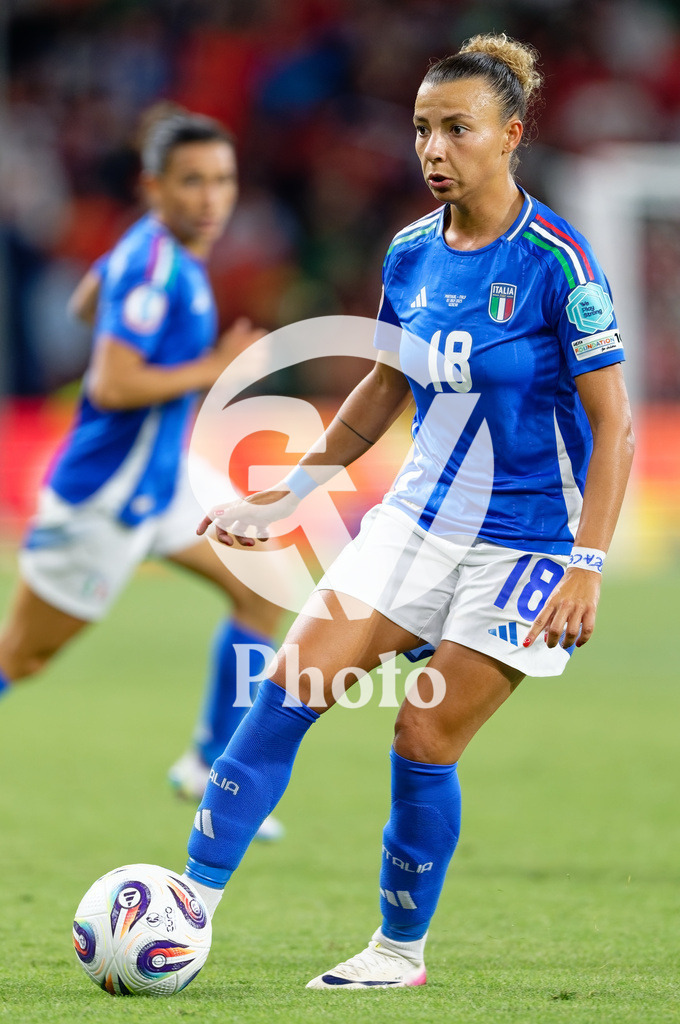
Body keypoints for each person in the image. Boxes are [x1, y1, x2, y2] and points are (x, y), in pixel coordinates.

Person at [179, 33, 634, 988]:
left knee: (421, 734)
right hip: (413, 524)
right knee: (285, 691)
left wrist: (585, 566)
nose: (433, 148)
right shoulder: (410, 253)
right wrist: (295, 487)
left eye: (457, 129)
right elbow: (383, 386)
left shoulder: (559, 261)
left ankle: (396, 951)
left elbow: (615, 426)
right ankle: (184, 912)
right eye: (422, 129)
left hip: (526, 548)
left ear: (509, 136)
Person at [0, 106, 284, 839]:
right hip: (103, 500)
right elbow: (112, 386)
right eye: (191, 182)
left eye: (221, 181)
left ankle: (208, 764)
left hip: (159, 491)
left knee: (258, 588)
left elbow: (84, 300)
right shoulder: (156, 268)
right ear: (153, 187)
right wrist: (217, 367)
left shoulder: (152, 252)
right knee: (21, 658)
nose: (210, 198)